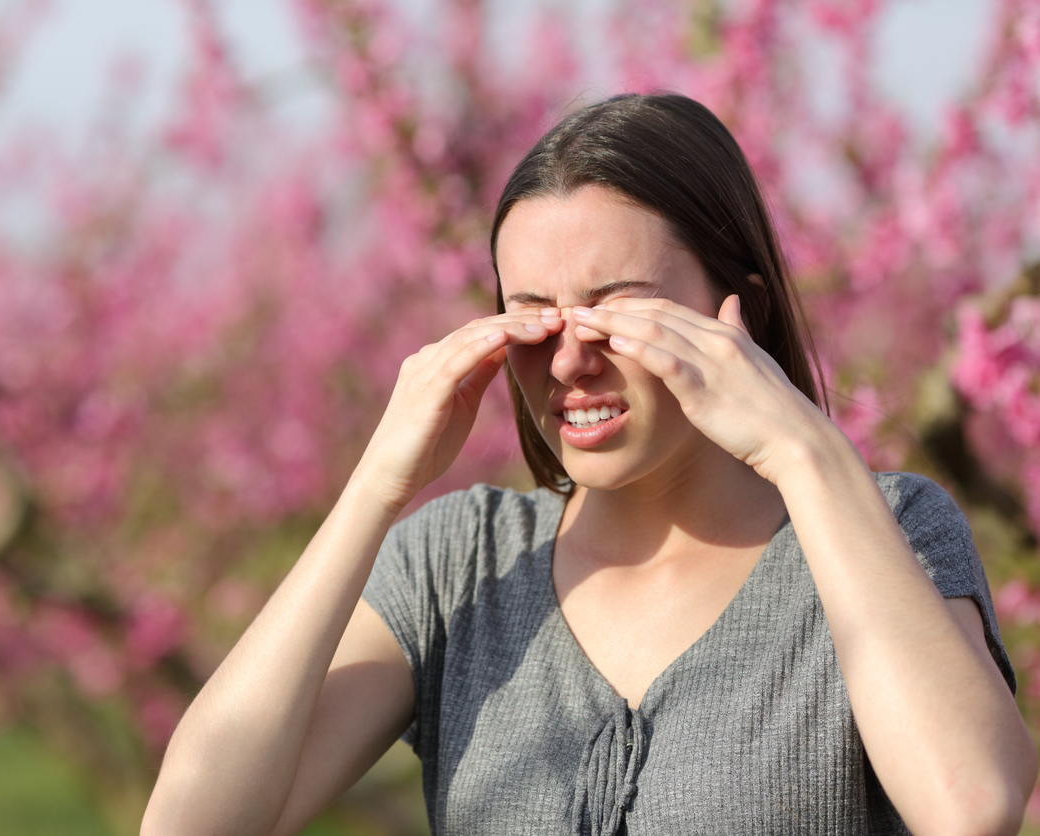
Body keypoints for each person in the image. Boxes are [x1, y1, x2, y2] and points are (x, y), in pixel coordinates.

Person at [141, 93, 1037, 835]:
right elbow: (194, 822)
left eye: (620, 313)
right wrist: (376, 490)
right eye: (533, 316)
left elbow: (974, 807)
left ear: (742, 314)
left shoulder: (885, 535)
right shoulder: (459, 567)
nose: (571, 362)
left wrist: (802, 449)